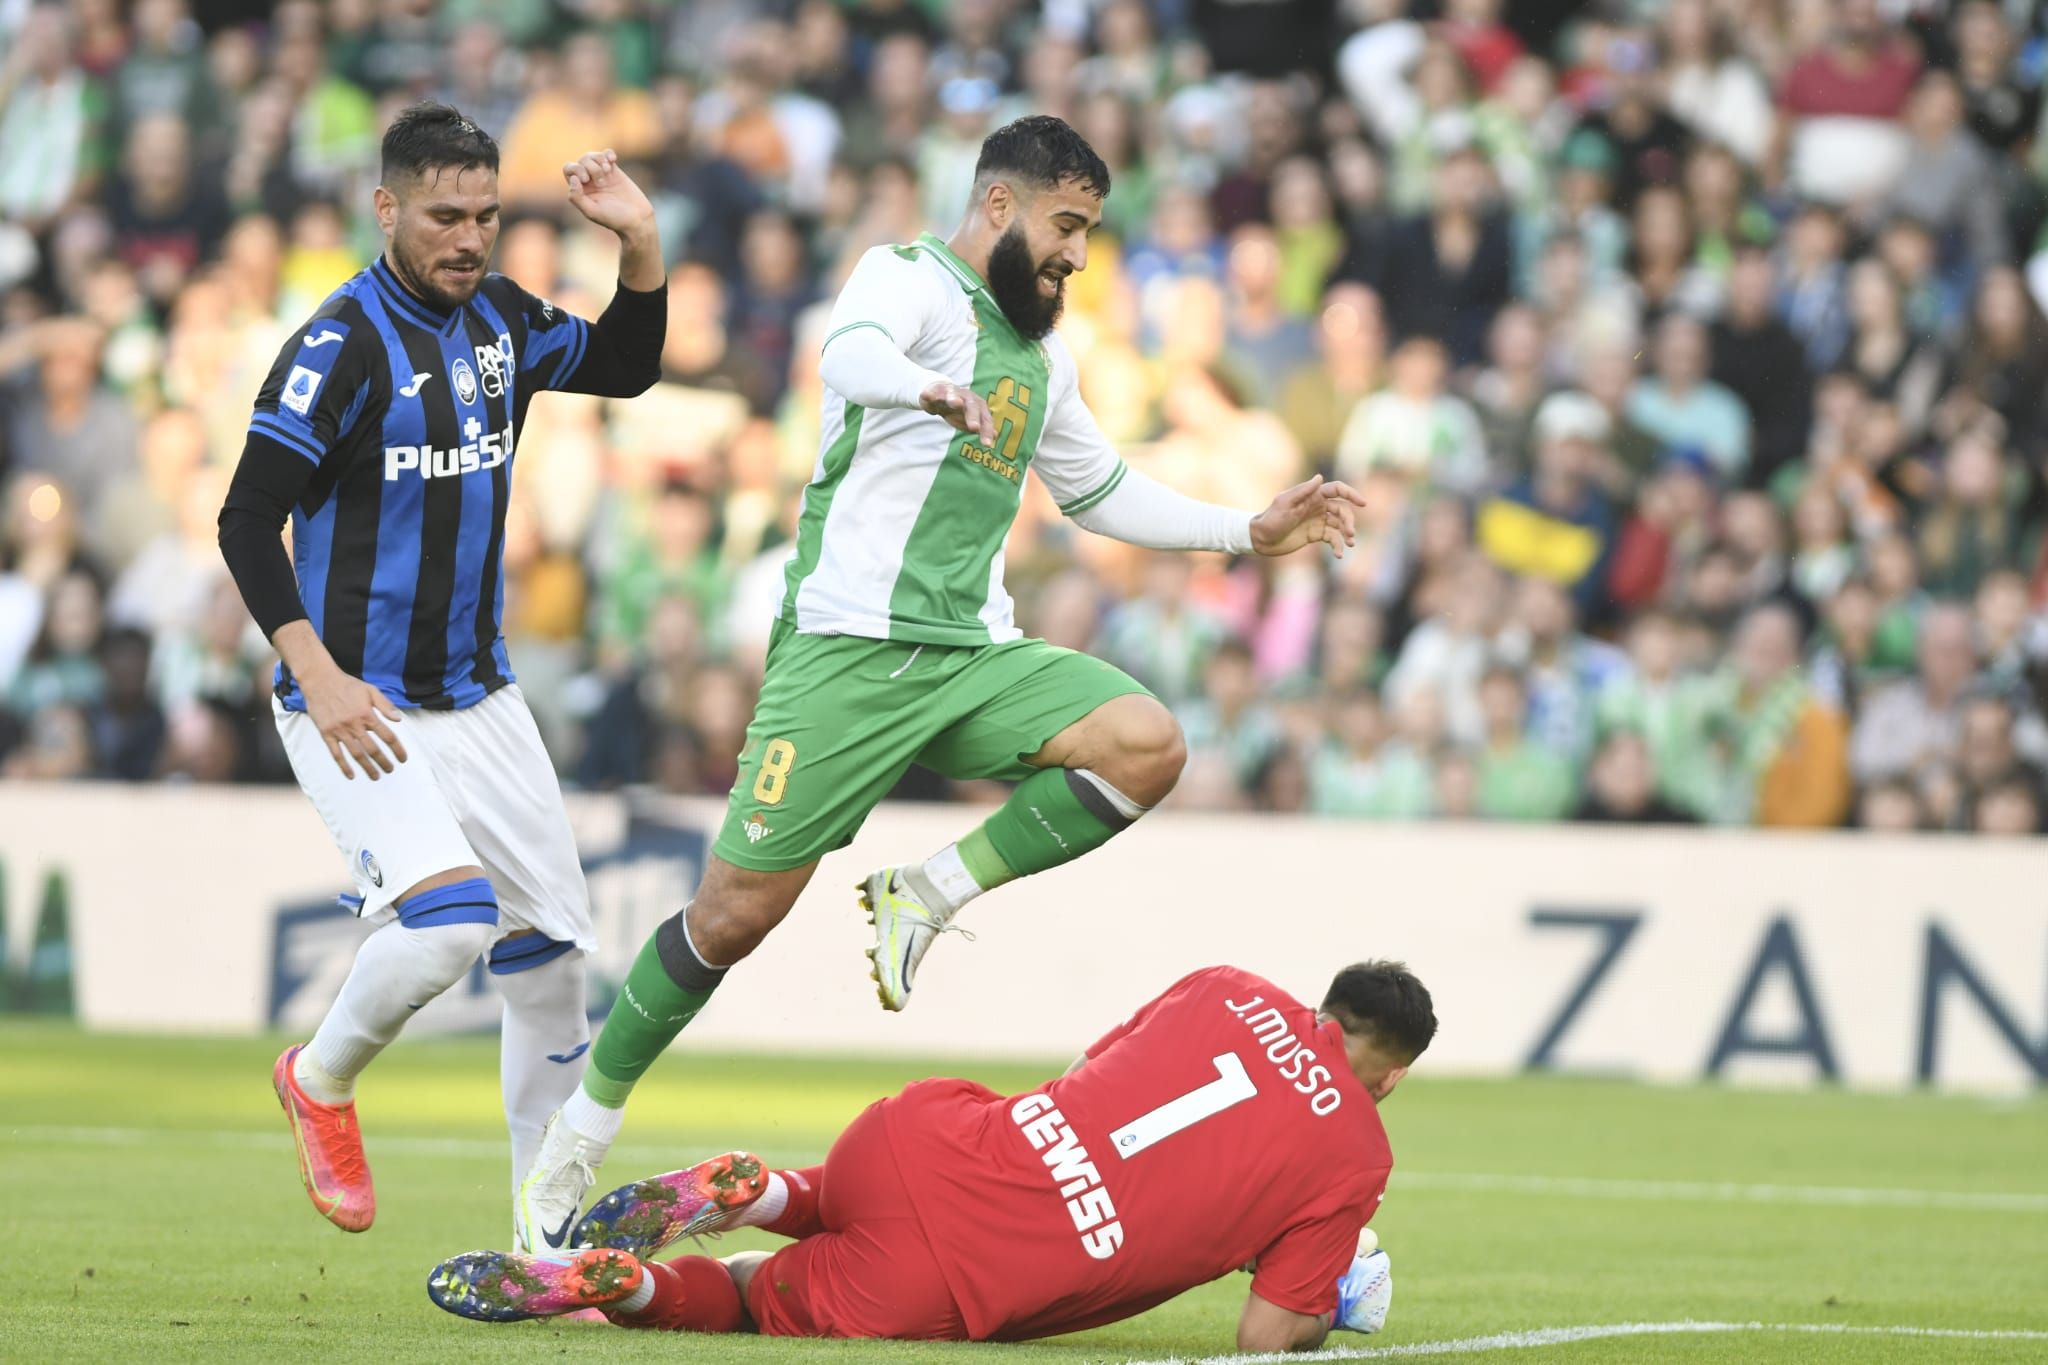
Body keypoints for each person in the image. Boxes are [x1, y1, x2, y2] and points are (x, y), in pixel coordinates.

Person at [517, 115, 1367, 1251]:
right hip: (845, 654)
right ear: (1003, 207)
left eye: (1090, 233)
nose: (1075, 253)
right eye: (1066, 226)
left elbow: (1098, 489)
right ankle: (569, 1144)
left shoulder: (1044, 355)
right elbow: (846, 354)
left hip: (970, 655)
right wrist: (922, 390)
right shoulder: (907, 280)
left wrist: (1241, 529)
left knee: (1144, 743)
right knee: (730, 918)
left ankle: (928, 890)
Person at [214, 103, 666, 1238]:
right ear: (386, 209)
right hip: (354, 698)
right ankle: (317, 1081)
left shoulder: (501, 319)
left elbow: (624, 366)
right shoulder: (343, 343)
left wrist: (639, 243)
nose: (468, 238)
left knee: (553, 959)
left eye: (485, 215)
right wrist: (313, 673)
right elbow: (243, 518)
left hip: (479, 693)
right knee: (454, 923)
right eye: (443, 216)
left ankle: (543, 1241)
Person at [429, 959, 1433, 1348]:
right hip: (947, 1276)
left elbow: (1092, 1068)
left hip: (923, 1135)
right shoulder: (1353, 1157)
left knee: (854, 1192)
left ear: (1320, 1007)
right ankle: (626, 1290)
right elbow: (1264, 1340)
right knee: (742, 1299)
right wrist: (1320, 1308)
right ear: (1385, 1075)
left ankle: (763, 1184)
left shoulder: (1227, 986)